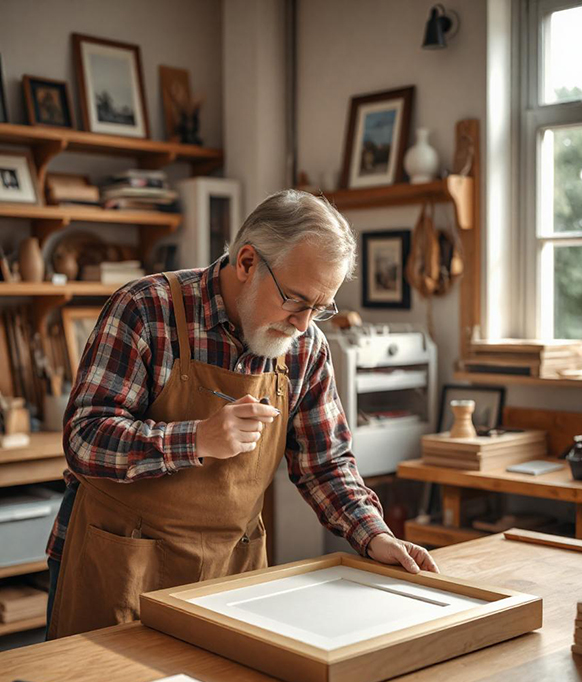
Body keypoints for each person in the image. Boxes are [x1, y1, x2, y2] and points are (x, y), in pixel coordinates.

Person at [46, 190, 438, 639]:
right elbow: (84, 438)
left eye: (321, 308)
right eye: (295, 299)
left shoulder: (305, 348)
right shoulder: (145, 309)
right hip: (118, 566)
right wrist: (195, 440)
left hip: (232, 571)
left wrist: (375, 536)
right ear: (247, 262)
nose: (304, 323)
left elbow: (325, 465)